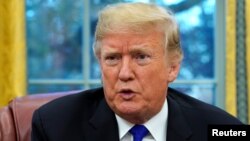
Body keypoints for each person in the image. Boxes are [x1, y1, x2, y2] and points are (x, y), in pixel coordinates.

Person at [31, 2, 242, 141]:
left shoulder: (224, 129)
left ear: (173, 67)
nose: (124, 73)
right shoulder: (55, 126)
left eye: (141, 57)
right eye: (112, 58)